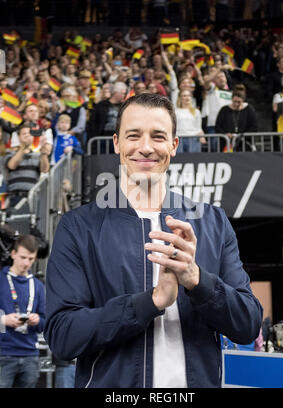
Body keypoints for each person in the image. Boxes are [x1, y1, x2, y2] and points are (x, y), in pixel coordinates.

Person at [44, 93, 263, 388]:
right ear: (116, 143)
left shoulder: (213, 222)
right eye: (133, 136)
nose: (145, 147)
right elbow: (63, 337)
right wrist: (151, 302)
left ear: (173, 145)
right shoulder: (79, 227)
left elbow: (248, 324)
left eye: (158, 136)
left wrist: (198, 281)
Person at [0, 235, 45, 388]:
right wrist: (4, 320)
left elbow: (46, 321)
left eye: (31, 259)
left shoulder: (38, 286)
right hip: (3, 353)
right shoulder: (1, 280)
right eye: (23, 257)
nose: (26, 263)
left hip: (30, 355)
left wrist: (37, 320)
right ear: (13, 254)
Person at [5, 123, 50, 207]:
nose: (27, 136)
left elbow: (44, 169)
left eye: (29, 133)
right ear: (19, 137)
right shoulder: (10, 153)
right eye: (24, 134)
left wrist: (43, 153)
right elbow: (12, 165)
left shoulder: (37, 155)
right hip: (15, 196)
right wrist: (23, 147)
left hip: (32, 196)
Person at [87, 81, 127, 153]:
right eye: (122, 93)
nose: (124, 95)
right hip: (101, 140)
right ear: (116, 92)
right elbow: (93, 123)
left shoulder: (125, 106)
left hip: (119, 140)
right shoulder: (101, 105)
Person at [215, 84, 258, 151]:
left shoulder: (249, 109)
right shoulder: (224, 110)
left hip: (245, 144)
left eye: (239, 102)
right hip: (227, 144)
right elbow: (218, 126)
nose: (236, 104)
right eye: (234, 101)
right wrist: (225, 134)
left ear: (243, 100)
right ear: (231, 99)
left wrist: (242, 136)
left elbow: (254, 127)